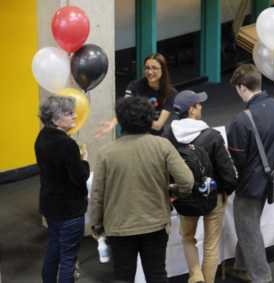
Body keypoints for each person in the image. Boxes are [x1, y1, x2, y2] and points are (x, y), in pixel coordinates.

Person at [89, 96, 194, 283]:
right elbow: (187, 181)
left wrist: (97, 226)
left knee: (123, 277)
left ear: (121, 120)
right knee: (157, 276)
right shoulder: (162, 145)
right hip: (155, 223)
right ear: (148, 118)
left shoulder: (106, 152)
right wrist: (174, 192)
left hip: (119, 227)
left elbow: (97, 195)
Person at [162, 90, 238, 283]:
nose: (202, 107)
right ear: (192, 110)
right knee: (210, 246)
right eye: (199, 104)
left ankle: (196, 277)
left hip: (183, 196)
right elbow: (228, 172)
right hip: (214, 197)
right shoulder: (212, 136)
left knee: (188, 239)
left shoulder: (168, 136)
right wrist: (227, 192)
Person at [226, 64, 274, 283]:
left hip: (249, 184)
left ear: (242, 87)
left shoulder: (243, 120)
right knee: (249, 227)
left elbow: (237, 161)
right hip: (272, 181)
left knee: (249, 232)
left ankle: (262, 278)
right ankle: (241, 267)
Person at [35, 96, 90, 283]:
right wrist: (84, 161)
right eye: (70, 114)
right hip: (69, 211)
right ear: (55, 119)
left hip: (50, 207)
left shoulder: (41, 137)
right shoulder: (67, 144)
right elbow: (80, 178)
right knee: (68, 259)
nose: (75, 117)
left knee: (53, 252)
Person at [94, 53, 177, 138]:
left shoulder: (170, 93)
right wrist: (112, 123)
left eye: (154, 68)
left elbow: (158, 125)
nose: (150, 71)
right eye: (147, 68)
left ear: (163, 70)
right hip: (129, 134)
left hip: (152, 137)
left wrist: (133, 119)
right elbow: (124, 108)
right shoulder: (134, 85)